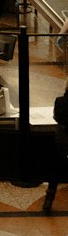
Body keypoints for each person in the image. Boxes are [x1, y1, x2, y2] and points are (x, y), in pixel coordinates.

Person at [42, 76, 68, 212]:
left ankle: (49, 198)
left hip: (62, 138)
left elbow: (56, 117)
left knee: (56, 169)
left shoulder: (59, 101)